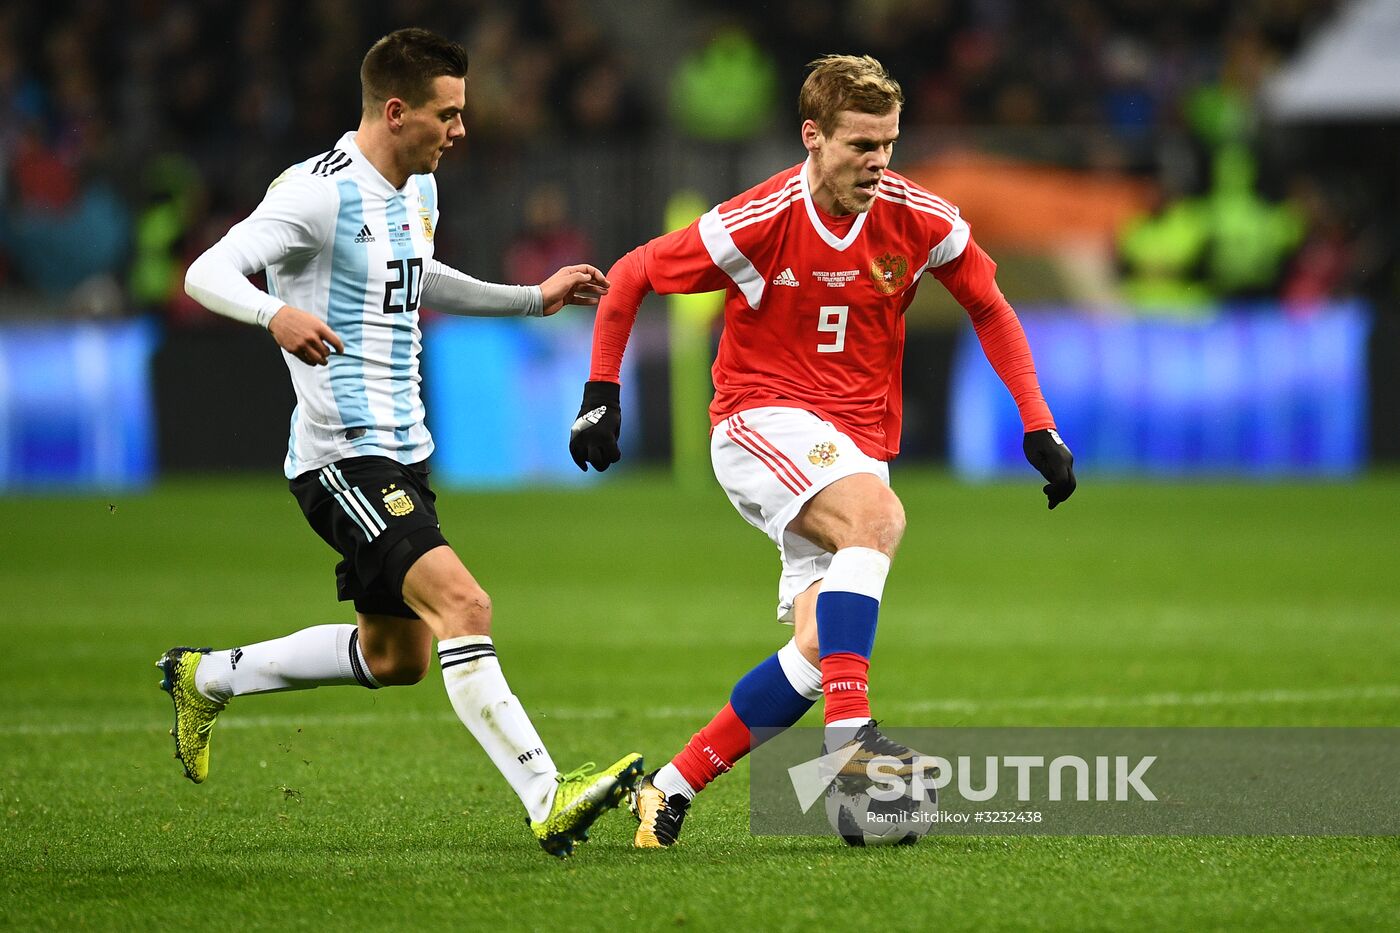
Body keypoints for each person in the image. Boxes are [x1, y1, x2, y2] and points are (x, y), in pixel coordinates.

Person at [568, 55, 1076, 848]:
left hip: (856, 442)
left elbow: (990, 306)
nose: (878, 162)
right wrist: (602, 390)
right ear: (813, 137)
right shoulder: (759, 220)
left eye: (889, 144)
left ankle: (669, 787)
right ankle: (852, 751)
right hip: (759, 421)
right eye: (861, 145)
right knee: (878, 518)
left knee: (817, 649)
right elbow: (632, 273)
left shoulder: (919, 218)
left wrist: (1037, 422)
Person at [160, 27, 642, 859]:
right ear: (395, 111)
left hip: (404, 452)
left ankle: (203, 676)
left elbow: (419, 275)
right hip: (342, 458)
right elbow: (206, 271)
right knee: (466, 606)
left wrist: (532, 297)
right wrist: (275, 313)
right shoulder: (317, 194)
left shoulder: (419, 189)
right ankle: (547, 794)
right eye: (446, 114)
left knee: (397, 656)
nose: (460, 129)